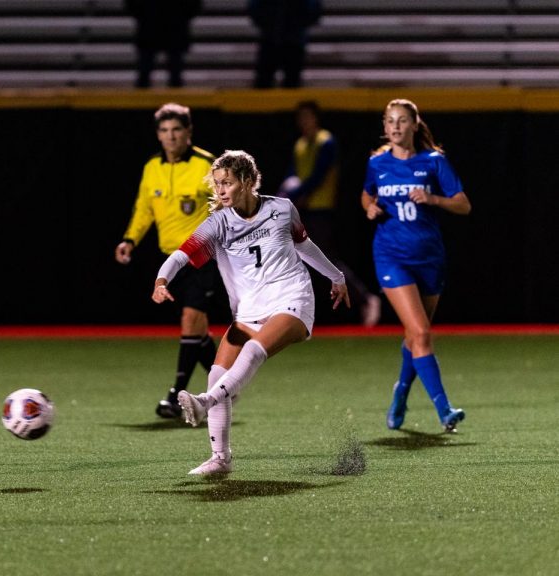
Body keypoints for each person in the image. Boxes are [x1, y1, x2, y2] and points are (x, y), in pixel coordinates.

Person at [153, 150, 349, 475]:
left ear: (246, 181)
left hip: (292, 298)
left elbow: (304, 245)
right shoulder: (217, 224)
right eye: (217, 184)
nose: (221, 190)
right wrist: (162, 280)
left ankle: (205, 402)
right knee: (217, 373)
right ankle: (221, 458)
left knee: (255, 351)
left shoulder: (282, 209)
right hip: (249, 309)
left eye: (227, 183)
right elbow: (181, 255)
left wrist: (336, 276)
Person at [360, 98, 471, 433]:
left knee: (415, 335)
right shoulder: (378, 163)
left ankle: (401, 394)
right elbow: (367, 194)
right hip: (392, 256)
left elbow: (464, 205)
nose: (395, 127)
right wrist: (369, 208)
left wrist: (434, 199)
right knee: (422, 332)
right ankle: (444, 410)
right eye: (390, 121)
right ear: (385, 127)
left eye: (402, 120)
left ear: (414, 124)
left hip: (430, 258)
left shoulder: (434, 162)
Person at [115, 103, 218, 419]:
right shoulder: (152, 168)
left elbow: (227, 208)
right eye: (164, 131)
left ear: (188, 132)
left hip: (204, 255)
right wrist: (130, 239)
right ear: (158, 135)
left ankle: (176, 396)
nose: (170, 136)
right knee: (196, 333)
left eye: (176, 130)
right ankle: (226, 383)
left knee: (191, 321)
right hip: (170, 260)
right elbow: (144, 209)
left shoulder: (207, 165)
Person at [278, 100, 380, 326]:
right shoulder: (300, 144)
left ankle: (365, 299)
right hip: (300, 210)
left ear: (316, 118)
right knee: (294, 259)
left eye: (307, 117)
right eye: (300, 118)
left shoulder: (326, 141)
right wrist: (282, 198)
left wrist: (301, 193)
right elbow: (291, 175)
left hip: (321, 210)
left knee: (324, 259)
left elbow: (319, 174)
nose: (304, 122)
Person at [125, 0, 202, 88]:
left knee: (147, 68)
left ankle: (142, 95)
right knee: (173, 69)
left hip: (151, 22)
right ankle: (174, 94)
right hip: (173, 23)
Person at [247, 0, 321, 88]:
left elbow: (314, 9)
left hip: (292, 40)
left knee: (292, 81)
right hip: (272, 38)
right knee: (264, 81)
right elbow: (254, 7)